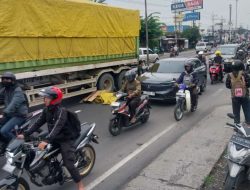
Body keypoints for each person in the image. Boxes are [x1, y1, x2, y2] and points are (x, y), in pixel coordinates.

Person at [17, 86, 85, 190]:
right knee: (39, 151)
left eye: (47, 98)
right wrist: (25, 134)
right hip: (54, 137)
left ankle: (80, 184)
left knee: (68, 163)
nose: (44, 99)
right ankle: (53, 170)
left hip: (65, 139)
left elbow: (58, 126)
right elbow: (38, 122)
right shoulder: (47, 110)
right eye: (44, 97)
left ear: (54, 99)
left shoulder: (62, 111)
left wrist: (47, 140)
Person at [0, 72, 28, 152]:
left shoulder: (17, 90)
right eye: (4, 79)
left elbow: (14, 103)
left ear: (12, 81)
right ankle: (6, 143)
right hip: (10, 115)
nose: (5, 81)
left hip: (19, 115)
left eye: (7, 79)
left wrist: (5, 112)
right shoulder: (5, 90)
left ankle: (19, 145)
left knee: (4, 131)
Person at [226, 60, 250, 125]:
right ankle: (248, 123)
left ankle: (237, 125)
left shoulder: (229, 75)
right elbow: (248, 84)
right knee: (247, 110)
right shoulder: (244, 74)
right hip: (245, 95)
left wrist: (234, 87)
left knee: (236, 112)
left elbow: (227, 85)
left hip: (235, 97)